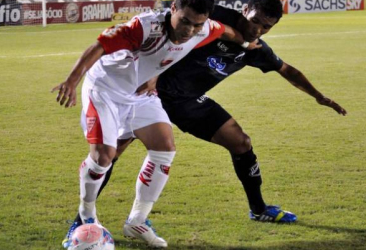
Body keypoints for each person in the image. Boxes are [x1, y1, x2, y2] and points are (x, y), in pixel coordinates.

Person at [68, 0, 348, 232]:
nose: (258, 30)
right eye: (256, 21)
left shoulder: (255, 48)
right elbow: (172, 25)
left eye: (267, 27)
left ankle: (259, 209)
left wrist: (318, 95)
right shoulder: (212, 15)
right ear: (246, 8)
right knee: (110, 154)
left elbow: (287, 70)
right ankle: (82, 221)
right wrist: (153, 74)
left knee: (241, 143)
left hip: (188, 103)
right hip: (150, 93)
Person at [52, 0, 256, 248]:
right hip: (105, 90)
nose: (189, 30)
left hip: (139, 94)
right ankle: (86, 218)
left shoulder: (205, 28)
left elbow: (225, 30)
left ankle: (137, 220)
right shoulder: (144, 27)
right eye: (185, 21)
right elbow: (99, 46)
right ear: (173, 10)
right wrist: (71, 81)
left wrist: (245, 43)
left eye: (197, 25)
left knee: (164, 148)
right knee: (103, 157)